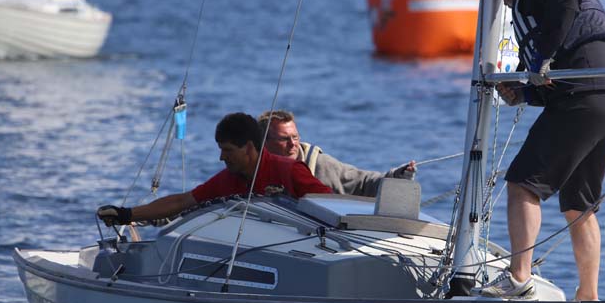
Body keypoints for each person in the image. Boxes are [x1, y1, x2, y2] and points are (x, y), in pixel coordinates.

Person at [479, 0, 605, 301]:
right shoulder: (542, 21)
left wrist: (541, 61)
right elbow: (548, 78)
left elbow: (565, 1)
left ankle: (518, 278)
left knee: (521, 184)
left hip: (584, 98)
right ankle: (588, 296)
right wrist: (523, 92)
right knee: (579, 204)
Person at [97, 112, 331, 226]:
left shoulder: (289, 170)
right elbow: (181, 202)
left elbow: (332, 205)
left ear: (248, 148)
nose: (221, 157)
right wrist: (127, 215)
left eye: (228, 150)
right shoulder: (227, 179)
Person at [258, 110, 417, 198]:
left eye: (295, 137)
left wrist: (397, 176)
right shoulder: (250, 167)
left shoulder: (320, 165)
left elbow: (363, 182)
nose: (293, 144)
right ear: (265, 141)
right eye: (284, 139)